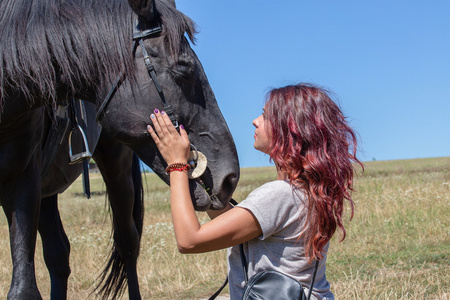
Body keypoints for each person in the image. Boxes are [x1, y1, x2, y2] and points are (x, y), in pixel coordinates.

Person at [147, 83, 363, 299]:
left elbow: (189, 240)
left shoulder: (280, 195)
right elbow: (231, 222)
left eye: (265, 116)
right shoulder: (306, 193)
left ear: (289, 129)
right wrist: (196, 170)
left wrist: (176, 164)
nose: (255, 121)